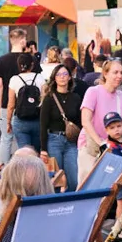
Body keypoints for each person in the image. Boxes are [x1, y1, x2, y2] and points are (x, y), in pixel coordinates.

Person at [39, 63, 85, 191]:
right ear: (54, 78)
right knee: (56, 180)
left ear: (70, 77)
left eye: (65, 74)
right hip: (54, 140)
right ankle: (55, 207)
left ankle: (69, 205)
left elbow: (80, 122)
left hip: (71, 141)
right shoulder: (49, 98)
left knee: (73, 180)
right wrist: (43, 149)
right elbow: (43, 124)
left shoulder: (75, 98)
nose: (62, 77)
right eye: (59, 75)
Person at [80, 58, 122, 163]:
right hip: (92, 147)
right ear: (105, 74)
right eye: (115, 72)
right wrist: (101, 143)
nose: (119, 76)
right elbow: (85, 121)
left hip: (112, 148)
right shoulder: (93, 92)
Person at [5, 55, 44, 156]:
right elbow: (44, 101)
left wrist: (8, 122)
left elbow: (11, 105)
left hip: (20, 120)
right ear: (32, 64)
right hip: (37, 120)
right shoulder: (40, 78)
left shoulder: (14, 79)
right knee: (36, 153)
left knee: (25, 154)